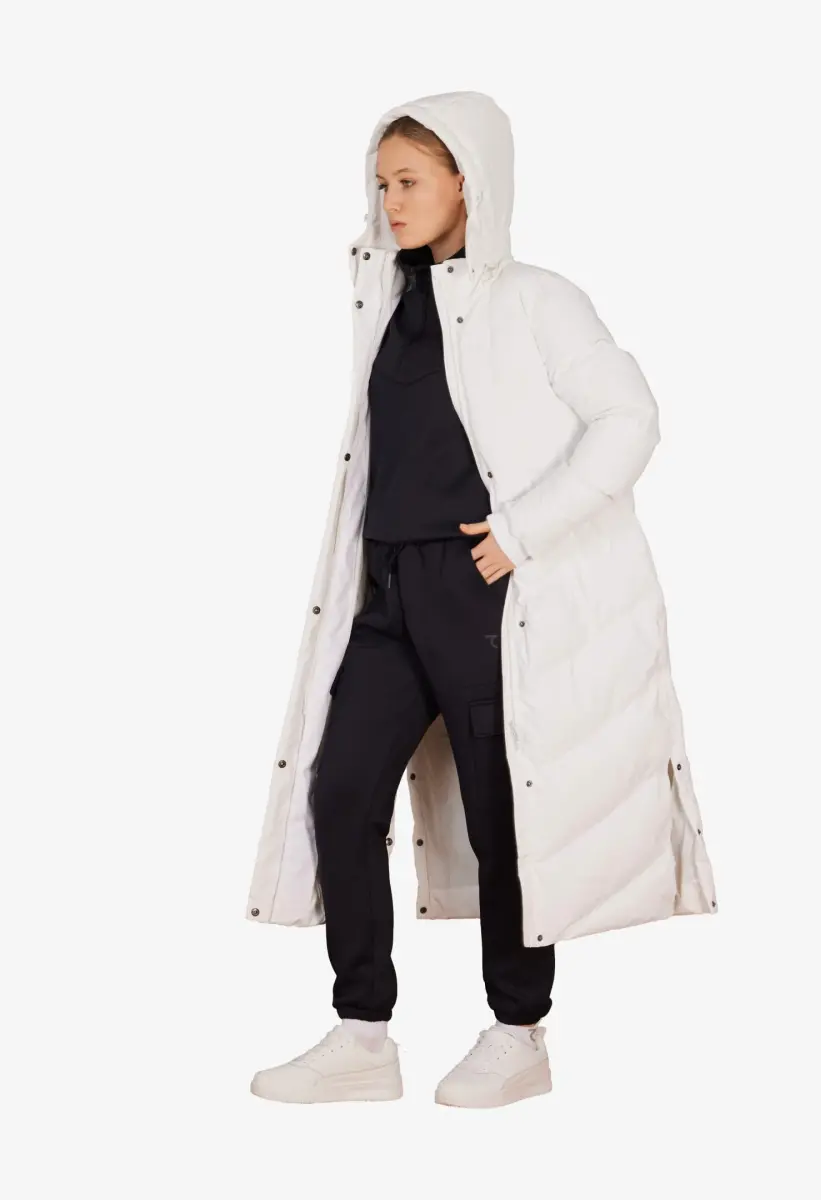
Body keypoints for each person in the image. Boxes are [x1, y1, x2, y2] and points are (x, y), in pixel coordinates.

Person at [246, 91, 717, 1109]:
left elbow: (630, 418)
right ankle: (362, 1034)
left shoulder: (537, 298)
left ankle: (517, 1032)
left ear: (470, 180)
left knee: (511, 811)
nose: (390, 201)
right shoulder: (385, 300)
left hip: (482, 587)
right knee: (340, 792)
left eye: (410, 181)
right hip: (385, 591)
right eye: (382, 183)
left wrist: (521, 533)